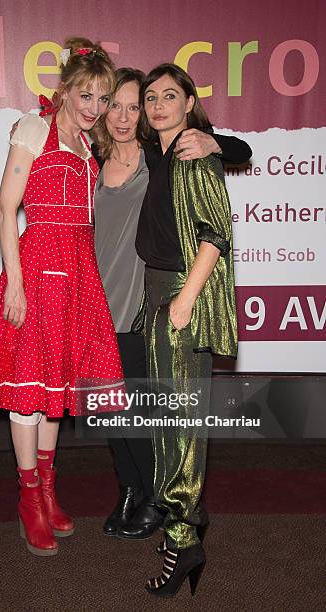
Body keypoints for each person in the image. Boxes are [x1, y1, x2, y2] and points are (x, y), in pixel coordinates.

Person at [0, 38, 125, 556]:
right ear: (67, 89)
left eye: (103, 98)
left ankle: (50, 491)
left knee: (56, 389)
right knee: (27, 393)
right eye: (87, 95)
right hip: (36, 271)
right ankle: (28, 497)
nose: (95, 107)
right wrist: (14, 280)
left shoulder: (89, 145)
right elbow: (5, 207)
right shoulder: (34, 128)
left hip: (78, 275)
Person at [92, 68, 249, 541]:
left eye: (133, 106)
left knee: (146, 407)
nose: (124, 116)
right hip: (89, 303)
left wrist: (214, 143)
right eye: (114, 105)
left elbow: (235, 152)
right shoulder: (88, 160)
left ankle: (157, 498)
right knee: (102, 406)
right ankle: (128, 488)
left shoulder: (156, 155)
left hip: (138, 300)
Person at [135, 63, 238, 596]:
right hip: (158, 296)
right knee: (168, 416)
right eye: (150, 97)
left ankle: (184, 542)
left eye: (167, 96)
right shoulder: (160, 153)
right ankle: (185, 524)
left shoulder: (196, 154)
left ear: (188, 101)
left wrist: (185, 301)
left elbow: (217, 233)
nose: (156, 105)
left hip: (180, 298)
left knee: (180, 427)